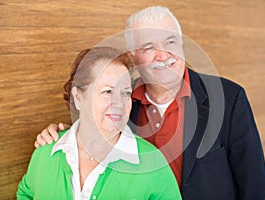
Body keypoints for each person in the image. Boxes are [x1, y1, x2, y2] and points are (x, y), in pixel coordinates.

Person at [34, 6, 265, 200]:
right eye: (149, 47)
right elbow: (94, 128)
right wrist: (59, 133)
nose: (163, 55)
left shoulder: (228, 98)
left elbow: (253, 183)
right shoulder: (123, 102)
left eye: (171, 42)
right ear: (132, 57)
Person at [17, 46, 182, 199]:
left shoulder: (153, 163)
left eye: (125, 93)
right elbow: (25, 194)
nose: (118, 102)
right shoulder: (46, 151)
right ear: (78, 97)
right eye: (107, 91)